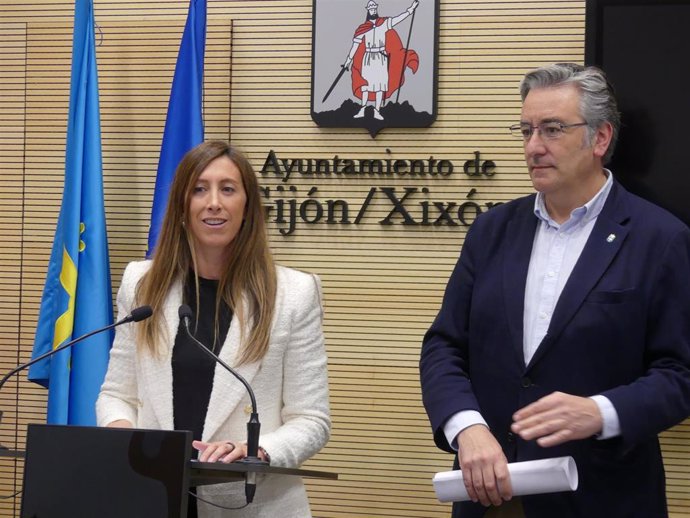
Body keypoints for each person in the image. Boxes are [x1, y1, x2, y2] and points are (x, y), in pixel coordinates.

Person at [419, 63, 690, 518]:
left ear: (600, 139)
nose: (533, 147)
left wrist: (601, 412)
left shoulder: (659, 238)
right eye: (525, 130)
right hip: (490, 496)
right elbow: (444, 347)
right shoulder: (491, 231)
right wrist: (467, 428)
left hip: (602, 497)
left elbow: (680, 371)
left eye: (552, 129)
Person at [96, 140, 331, 518]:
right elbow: (116, 394)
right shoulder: (141, 284)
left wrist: (259, 450)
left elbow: (312, 419)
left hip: (250, 505)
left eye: (228, 189)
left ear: (247, 207)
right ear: (182, 207)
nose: (214, 202)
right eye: (200, 189)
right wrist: (125, 433)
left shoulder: (294, 295)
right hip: (153, 496)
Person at [343, 0, 419, 120]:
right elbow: (355, 47)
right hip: (368, 58)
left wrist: (410, 10)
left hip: (380, 58)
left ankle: (377, 111)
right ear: (368, 10)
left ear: (376, 9)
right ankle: (363, 109)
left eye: (374, 7)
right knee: (365, 85)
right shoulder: (363, 29)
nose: (373, 9)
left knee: (380, 86)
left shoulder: (383, 24)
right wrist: (348, 61)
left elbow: (398, 19)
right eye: (371, 8)